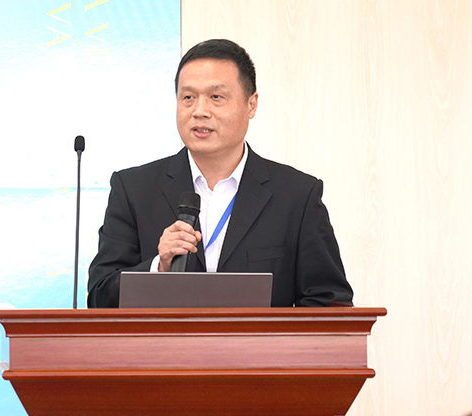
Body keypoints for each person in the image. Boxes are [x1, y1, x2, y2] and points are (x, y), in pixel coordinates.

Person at [87, 39, 353, 308]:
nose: (200, 111)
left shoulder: (297, 195)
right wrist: (159, 267)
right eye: (188, 98)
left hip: (260, 339)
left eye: (216, 97)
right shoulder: (134, 190)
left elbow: (328, 302)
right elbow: (99, 297)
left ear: (251, 105)